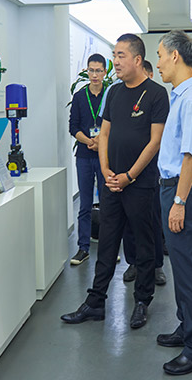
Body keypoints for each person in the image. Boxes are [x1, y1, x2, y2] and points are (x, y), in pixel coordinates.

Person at [61, 33, 169, 329]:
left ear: (137, 59)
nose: (115, 61)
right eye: (114, 55)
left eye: (121, 55)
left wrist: (129, 176)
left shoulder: (157, 94)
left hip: (140, 184)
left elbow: (155, 142)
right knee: (107, 244)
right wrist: (107, 170)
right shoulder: (115, 93)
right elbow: (104, 133)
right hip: (112, 183)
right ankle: (95, 302)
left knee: (144, 245)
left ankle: (142, 301)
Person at [155, 30, 192, 376]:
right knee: (180, 265)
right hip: (174, 189)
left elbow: (190, 158)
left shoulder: (189, 100)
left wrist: (179, 201)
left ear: (175, 56)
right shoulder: (181, 96)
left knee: (189, 270)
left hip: (181, 191)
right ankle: (186, 326)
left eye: (160, 55)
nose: (158, 63)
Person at [121, 58, 167, 286]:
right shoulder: (122, 95)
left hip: (149, 170)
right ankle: (133, 262)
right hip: (125, 169)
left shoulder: (157, 96)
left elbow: (156, 140)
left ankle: (156, 265)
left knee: (152, 219)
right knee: (129, 221)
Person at [68, 53, 107, 265]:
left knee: (107, 203)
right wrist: (89, 141)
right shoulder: (79, 97)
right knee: (84, 204)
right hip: (84, 155)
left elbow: (115, 123)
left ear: (105, 72)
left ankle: (108, 248)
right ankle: (83, 248)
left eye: (98, 70)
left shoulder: (110, 95)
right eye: (91, 70)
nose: (94, 75)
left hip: (104, 156)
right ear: (87, 71)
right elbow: (73, 126)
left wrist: (101, 142)